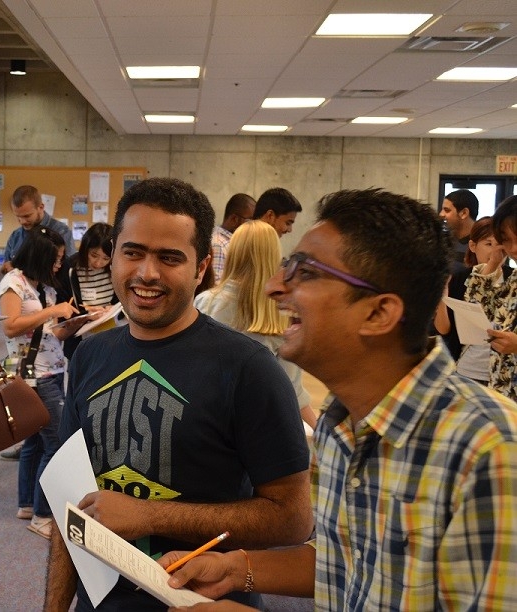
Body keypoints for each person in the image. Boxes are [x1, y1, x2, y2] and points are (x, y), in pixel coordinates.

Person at [160, 188, 517, 610]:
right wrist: (234, 568)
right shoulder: (341, 424)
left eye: (305, 273)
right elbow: (348, 561)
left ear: (379, 312)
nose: (274, 286)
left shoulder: (491, 452)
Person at [45, 177, 313, 611]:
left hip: (201, 602)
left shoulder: (248, 369)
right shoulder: (91, 355)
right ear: (113, 254)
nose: (147, 273)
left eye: (169, 258)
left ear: (201, 268)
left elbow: (293, 519)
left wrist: (149, 515)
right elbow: (69, 505)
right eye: (133, 252)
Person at [0, 226, 85, 539]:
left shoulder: (39, 287)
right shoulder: (14, 283)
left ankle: (26, 504)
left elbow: (46, 333)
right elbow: (9, 327)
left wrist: (77, 322)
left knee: (35, 442)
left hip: (49, 366)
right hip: (34, 374)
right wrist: (54, 310)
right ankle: (42, 514)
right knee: (56, 443)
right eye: (56, 259)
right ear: (40, 257)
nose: (59, 265)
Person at [195, 220, 317, 431]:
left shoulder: (205, 302)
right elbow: (292, 392)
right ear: (273, 257)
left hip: (206, 422)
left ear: (234, 252)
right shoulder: (280, 315)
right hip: (260, 429)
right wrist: (318, 432)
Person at [435, 217, 509, 383]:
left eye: (500, 244)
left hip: (503, 372)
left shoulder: (512, 278)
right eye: (489, 244)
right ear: (473, 246)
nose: (496, 251)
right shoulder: (460, 278)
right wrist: (442, 297)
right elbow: (445, 330)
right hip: (467, 367)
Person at [465, 194, 517, 401]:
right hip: (502, 388)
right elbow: (480, 310)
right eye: (506, 240)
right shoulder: (514, 278)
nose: (513, 249)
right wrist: (493, 263)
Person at [63, 222, 118, 359]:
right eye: (94, 255)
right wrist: (86, 314)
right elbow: (64, 307)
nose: (98, 263)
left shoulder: (115, 269)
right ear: (85, 248)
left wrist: (110, 309)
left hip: (110, 337)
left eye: (106, 258)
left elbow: (120, 302)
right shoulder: (70, 269)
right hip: (79, 340)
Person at [0, 185, 76, 274]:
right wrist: (5, 268)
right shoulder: (15, 236)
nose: (22, 221)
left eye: (27, 216)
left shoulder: (62, 232)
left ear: (41, 207)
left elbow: (68, 269)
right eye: (18, 216)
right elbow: (6, 266)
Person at [210, 193, 256, 286]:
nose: (253, 226)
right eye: (250, 221)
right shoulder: (218, 244)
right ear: (234, 219)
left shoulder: (233, 242)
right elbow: (214, 286)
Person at [439, 188, 478, 263]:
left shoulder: (482, 244)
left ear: (464, 213)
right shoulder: (442, 242)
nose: (441, 214)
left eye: (447, 210)